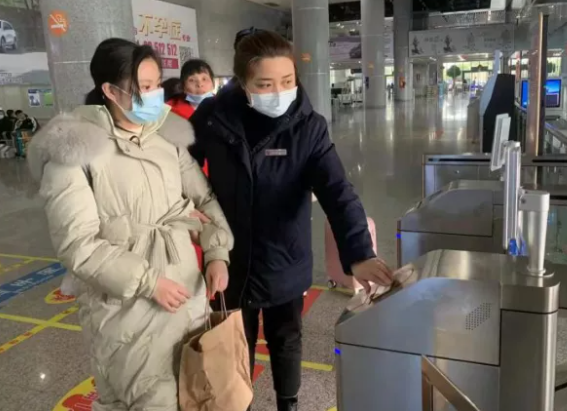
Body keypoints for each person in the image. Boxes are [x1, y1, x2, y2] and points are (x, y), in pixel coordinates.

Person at [190, 30, 393, 411]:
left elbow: (338, 191)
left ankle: (289, 404)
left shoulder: (308, 127)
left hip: (285, 257)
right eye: (264, 84)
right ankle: (238, 404)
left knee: (286, 338)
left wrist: (359, 252)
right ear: (243, 83)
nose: (278, 92)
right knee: (233, 342)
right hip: (229, 259)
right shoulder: (213, 120)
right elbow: (181, 171)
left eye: (287, 81)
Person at [28, 38, 234, 411]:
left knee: (195, 395)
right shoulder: (73, 153)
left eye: (157, 84)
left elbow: (203, 198)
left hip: (188, 295)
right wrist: (149, 282)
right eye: (144, 87)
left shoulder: (166, 136)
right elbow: (79, 245)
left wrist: (217, 252)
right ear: (110, 91)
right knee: (148, 399)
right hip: (127, 311)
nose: (155, 95)